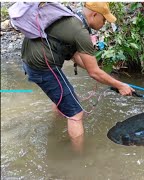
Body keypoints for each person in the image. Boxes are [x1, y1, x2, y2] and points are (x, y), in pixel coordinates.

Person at [21, 2, 134, 152]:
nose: (104, 23)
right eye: (104, 19)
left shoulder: (71, 19)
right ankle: (79, 158)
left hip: (32, 62)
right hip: (43, 67)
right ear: (94, 15)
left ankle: (57, 126)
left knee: (62, 98)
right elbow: (94, 72)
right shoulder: (80, 32)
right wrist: (120, 85)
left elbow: (78, 59)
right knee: (76, 113)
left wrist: (100, 74)